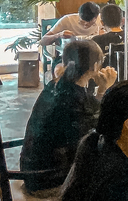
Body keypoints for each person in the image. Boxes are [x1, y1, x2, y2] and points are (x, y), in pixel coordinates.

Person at [20, 40, 117, 192]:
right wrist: (105, 90)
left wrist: (101, 90)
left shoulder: (55, 85)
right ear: (94, 67)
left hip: (32, 169)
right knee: (113, 172)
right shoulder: (72, 97)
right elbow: (96, 131)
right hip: (48, 179)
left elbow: (87, 117)